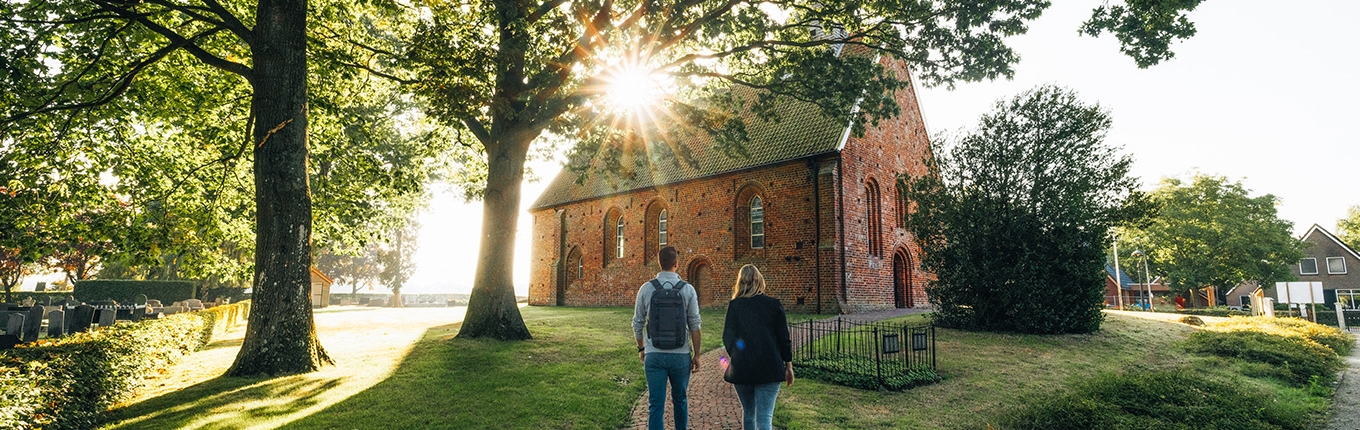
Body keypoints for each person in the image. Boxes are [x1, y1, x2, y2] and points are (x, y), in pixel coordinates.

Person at [632, 245, 702, 430]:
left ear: (659, 263)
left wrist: (642, 348)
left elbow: (637, 323)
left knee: (655, 406)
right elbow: (695, 325)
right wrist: (697, 355)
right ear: (676, 264)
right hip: (680, 355)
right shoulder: (688, 290)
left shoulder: (646, 289)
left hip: (654, 354)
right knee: (680, 401)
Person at [721, 264, 794, 430]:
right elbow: (784, 337)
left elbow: (728, 337)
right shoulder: (773, 305)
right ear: (760, 280)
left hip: (742, 367)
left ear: (740, 282)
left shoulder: (735, 305)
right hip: (770, 366)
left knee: (748, 412)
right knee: (764, 418)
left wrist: (737, 355)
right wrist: (788, 364)